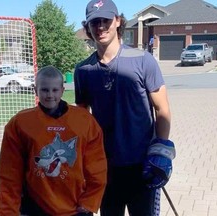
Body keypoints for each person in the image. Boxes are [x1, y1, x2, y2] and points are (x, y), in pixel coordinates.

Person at [74, 0, 176, 215]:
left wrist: (161, 151)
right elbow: (82, 118)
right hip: (105, 166)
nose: (100, 26)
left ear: (118, 21)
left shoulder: (142, 60)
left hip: (142, 164)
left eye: (106, 20)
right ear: (87, 27)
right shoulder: (83, 70)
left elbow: (162, 109)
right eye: (94, 22)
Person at [0, 65, 107, 216]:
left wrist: (90, 201)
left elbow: (97, 166)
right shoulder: (20, 123)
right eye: (44, 90)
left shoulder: (84, 121)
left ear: (62, 90)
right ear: (36, 90)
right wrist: (8, 211)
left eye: (54, 90)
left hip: (75, 207)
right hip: (35, 206)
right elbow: (9, 172)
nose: (50, 95)